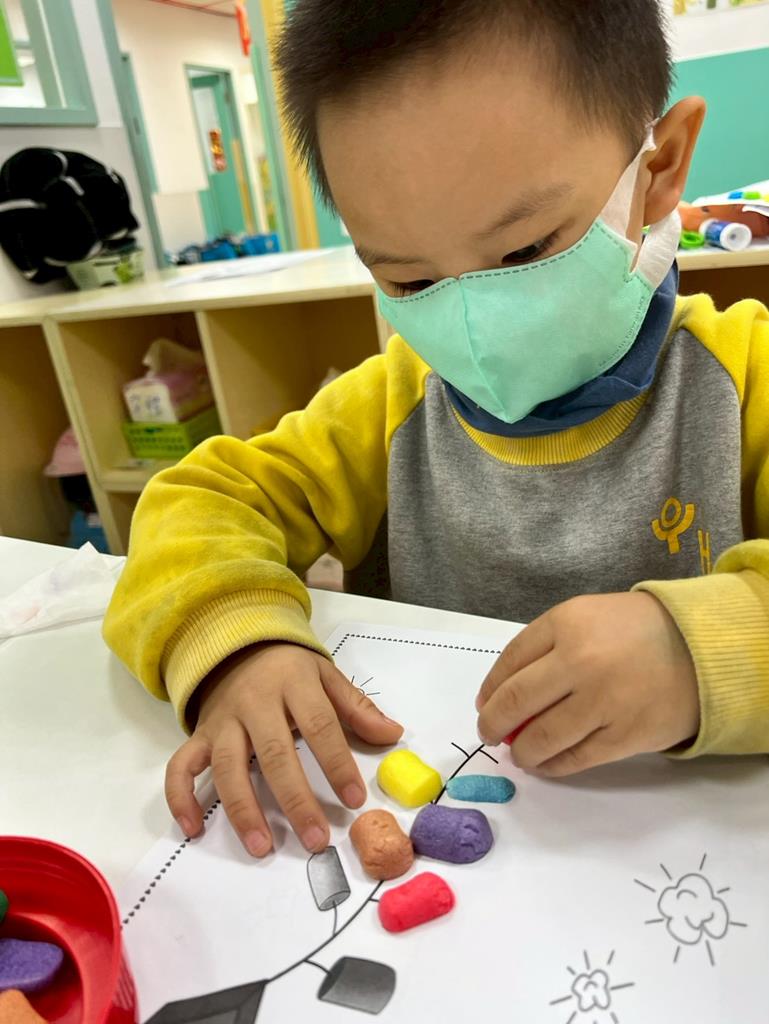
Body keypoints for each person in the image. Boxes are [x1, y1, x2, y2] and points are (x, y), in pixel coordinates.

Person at [104, 0, 769, 860]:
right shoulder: (390, 404)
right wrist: (237, 646)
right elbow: (200, 501)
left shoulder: (743, 378)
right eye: (409, 281)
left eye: (524, 251)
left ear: (661, 165)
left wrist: (703, 651)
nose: (475, 327)